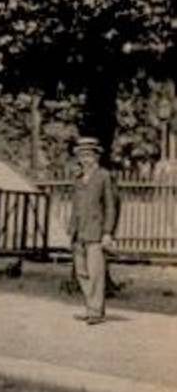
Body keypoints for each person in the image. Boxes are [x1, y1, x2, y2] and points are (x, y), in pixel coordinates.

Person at [68, 136, 118, 325]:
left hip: (96, 232)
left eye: (89, 155)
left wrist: (108, 232)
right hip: (79, 231)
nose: (85, 159)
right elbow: (75, 206)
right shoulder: (78, 179)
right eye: (82, 155)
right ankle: (91, 306)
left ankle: (95, 311)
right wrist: (71, 228)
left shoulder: (104, 176)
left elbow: (111, 206)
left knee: (96, 272)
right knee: (81, 271)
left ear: (97, 156)